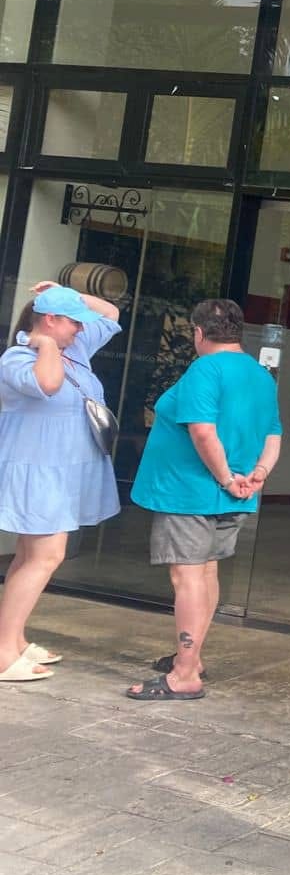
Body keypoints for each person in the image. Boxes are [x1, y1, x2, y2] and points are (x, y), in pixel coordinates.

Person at [125, 298, 281, 701]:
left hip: (190, 492)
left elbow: (202, 432)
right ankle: (193, 659)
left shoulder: (205, 369)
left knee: (187, 578)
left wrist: (227, 478)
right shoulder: (261, 376)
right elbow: (273, 436)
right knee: (207, 574)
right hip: (234, 493)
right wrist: (257, 476)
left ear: (198, 332)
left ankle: (184, 675)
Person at [0, 281, 122, 683]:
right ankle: (2, 652)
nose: (81, 330)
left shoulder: (77, 348)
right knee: (46, 556)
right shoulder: (17, 358)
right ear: (50, 321)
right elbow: (47, 385)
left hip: (61, 472)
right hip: (37, 472)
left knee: (29, 555)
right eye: (72, 322)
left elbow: (111, 313)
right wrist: (45, 345)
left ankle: (12, 639)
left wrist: (68, 292)